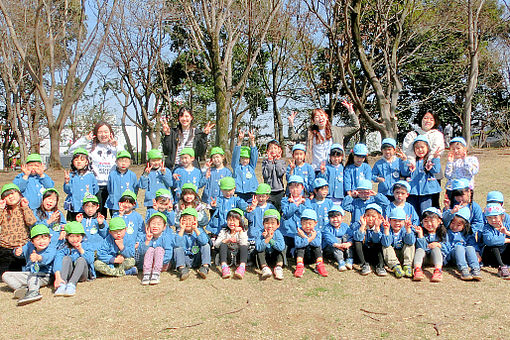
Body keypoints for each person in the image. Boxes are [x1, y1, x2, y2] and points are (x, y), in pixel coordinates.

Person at [288, 100, 360, 172]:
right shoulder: (310, 133)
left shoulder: (337, 130)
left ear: (326, 117)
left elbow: (355, 126)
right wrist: (291, 124)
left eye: (322, 115)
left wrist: (351, 112)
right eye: (317, 117)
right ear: (313, 121)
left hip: (333, 168)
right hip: (315, 169)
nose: (320, 118)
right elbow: (293, 137)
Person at [69, 122, 123, 216]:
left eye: (106, 131)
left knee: (116, 214)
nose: (103, 134)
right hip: (97, 186)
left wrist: (117, 145)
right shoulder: (90, 147)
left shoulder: (115, 147)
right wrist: (85, 140)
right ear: (95, 134)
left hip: (113, 186)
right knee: (98, 215)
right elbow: (72, 150)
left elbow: (125, 159)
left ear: (111, 133)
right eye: (100, 132)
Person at [1, 224, 55, 306]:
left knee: (33, 276)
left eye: (45, 238)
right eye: (38, 239)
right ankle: (22, 289)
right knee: (6, 275)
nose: (42, 241)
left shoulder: (51, 248)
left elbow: (48, 258)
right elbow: (21, 251)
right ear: (32, 241)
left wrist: (39, 257)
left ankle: (34, 292)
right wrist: (17, 251)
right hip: (29, 273)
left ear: (49, 239)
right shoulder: (29, 246)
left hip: (45, 275)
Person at [402, 110, 445, 207]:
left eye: (431, 119)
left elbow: (436, 150)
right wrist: (412, 163)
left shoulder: (437, 134)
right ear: (421, 119)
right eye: (425, 118)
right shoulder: (412, 134)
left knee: (433, 201)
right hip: (414, 169)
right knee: (412, 200)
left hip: (432, 169)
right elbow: (408, 150)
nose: (428, 121)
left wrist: (429, 161)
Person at [0, 183, 37, 275]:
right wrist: (1, 208)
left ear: (20, 195)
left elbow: (31, 221)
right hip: (5, 246)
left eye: (12, 193)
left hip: (21, 246)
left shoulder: (23, 208)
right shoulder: (4, 210)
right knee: (3, 273)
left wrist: (25, 207)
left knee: (18, 272)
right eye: (7, 195)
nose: (10, 197)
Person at [401, 135, 441, 216]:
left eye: (422, 147)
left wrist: (435, 159)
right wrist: (404, 161)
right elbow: (405, 173)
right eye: (417, 148)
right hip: (413, 191)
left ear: (427, 148)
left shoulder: (429, 160)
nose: (420, 150)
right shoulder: (412, 161)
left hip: (426, 191)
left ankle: (424, 226)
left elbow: (436, 170)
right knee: (412, 212)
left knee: (425, 211)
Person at [53, 222, 96, 297]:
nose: (75, 239)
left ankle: (72, 284)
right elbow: (58, 260)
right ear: (66, 237)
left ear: (82, 236)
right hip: (70, 273)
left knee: (81, 260)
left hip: (83, 274)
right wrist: (58, 276)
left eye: (77, 236)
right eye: (71, 236)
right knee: (66, 258)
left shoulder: (87, 245)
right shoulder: (64, 247)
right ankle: (62, 283)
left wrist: (81, 250)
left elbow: (90, 260)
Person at [174, 207, 211, 280]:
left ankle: (205, 267)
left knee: (206, 245)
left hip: (197, 257)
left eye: (190, 220)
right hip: (185, 258)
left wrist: (195, 229)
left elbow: (204, 241)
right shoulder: (179, 233)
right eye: (184, 220)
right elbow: (177, 244)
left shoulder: (199, 230)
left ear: (195, 221)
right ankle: (182, 269)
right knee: (177, 248)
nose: (187, 223)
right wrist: (182, 229)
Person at [445, 207, 481, 281]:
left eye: (458, 225)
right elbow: (446, 245)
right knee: (459, 247)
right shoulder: (447, 232)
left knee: (470, 248)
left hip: (464, 255)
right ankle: (463, 269)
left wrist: (477, 252)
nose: (454, 227)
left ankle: (475, 269)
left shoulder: (467, 234)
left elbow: (473, 244)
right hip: (452, 255)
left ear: (464, 226)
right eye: (453, 223)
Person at [413, 207, 448, 282]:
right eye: (426, 221)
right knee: (419, 250)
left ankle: (438, 270)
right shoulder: (421, 232)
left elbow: (448, 248)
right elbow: (421, 247)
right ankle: (417, 269)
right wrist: (420, 235)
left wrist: (439, 244)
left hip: (435, 258)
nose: (429, 224)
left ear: (439, 221)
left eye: (432, 221)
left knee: (436, 248)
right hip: (424, 258)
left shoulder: (443, 233)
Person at [63, 148, 99, 221]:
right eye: (76, 160)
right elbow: (67, 191)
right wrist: (67, 182)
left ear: (87, 162)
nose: (79, 162)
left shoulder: (91, 175)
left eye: (82, 160)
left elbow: (95, 189)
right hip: (74, 207)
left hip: (87, 208)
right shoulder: (71, 175)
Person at [139, 212, 174, 285]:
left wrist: (159, 263)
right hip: (147, 264)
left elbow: (168, 253)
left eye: (159, 224)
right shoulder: (144, 237)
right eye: (153, 224)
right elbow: (141, 252)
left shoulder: (165, 238)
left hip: (162, 265)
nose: (155, 226)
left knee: (159, 249)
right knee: (150, 249)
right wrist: (147, 241)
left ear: (164, 227)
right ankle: (146, 274)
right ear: (148, 226)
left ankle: (156, 274)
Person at [214, 208, 249, 279]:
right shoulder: (224, 231)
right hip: (228, 256)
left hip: (238, 256)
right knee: (223, 244)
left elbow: (244, 243)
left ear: (240, 222)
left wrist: (241, 232)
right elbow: (216, 245)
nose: (231, 222)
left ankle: (242, 267)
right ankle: (224, 267)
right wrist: (227, 240)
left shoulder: (243, 232)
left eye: (234, 220)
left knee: (244, 246)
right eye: (229, 220)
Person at [280, 176, 312, 256]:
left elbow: (307, 214)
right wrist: (296, 204)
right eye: (292, 187)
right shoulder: (285, 200)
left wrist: (300, 203)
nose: (295, 190)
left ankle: (294, 250)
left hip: (301, 232)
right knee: (284, 251)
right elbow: (287, 213)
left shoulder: (306, 201)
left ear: (302, 188)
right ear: (289, 188)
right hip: (287, 232)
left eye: (297, 187)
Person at [381, 208, 416, 279]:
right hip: (392, 256)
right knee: (386, 247)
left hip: (403, 254)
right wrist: (386, 231)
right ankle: (395, 267)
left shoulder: (404, 230)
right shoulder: (388, 230)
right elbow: (386, 244)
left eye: (400, 221)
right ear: (390, 221)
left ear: (404, 222)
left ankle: (407, 266)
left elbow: (411, 242)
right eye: (394, 221)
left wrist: (408, 230)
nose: (397, 223)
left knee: (410, 245)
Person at [352, 203, 386, 276]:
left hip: (375, 253)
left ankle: (380, 266)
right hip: (363, 252)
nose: (370, 219)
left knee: (380, 244)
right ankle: (364, 264)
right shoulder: (358, 224)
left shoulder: (383, 226)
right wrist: (363, 226)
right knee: (357, 242)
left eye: (373, 216)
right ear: (364, 216)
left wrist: (377, 228)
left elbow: (377, 240)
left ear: (379, 217)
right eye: (368, 216)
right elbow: (357, 238)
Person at [294, 209, 328, 278]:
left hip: (313, 257)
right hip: (301, 257)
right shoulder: (299, 232)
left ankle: (319, 265)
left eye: (310, 223)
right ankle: (300, 266)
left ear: (315, 223)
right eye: (305, 223)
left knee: (317, 247)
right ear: (301, 222)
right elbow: (298, 244)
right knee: (301, 247)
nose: (307, 226)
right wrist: (309, 238)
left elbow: (317, 243)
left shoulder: (317, 232)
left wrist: (306, 238)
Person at [105, 150, 139, 216]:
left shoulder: (132, 175)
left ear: (130, 162)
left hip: (128, 203)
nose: (123, 163)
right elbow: (110, 188)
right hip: (116, 203)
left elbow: (135, 189)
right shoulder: (112, 175)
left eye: (126, 161)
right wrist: (112, 198)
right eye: (120, 161)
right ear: (116, 162)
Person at [481, 203, 510, 279]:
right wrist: (506, 240)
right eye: (489, 218)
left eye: (495, 217)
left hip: (504, 255)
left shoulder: (506, 226)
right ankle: (502, 267)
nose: (493, 220)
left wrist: (506, 233)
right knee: (494, 246)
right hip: (491, 256)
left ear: (502, 216)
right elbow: (490, 241)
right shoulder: (486, 228)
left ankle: (505, 264)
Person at [256, 209, 285, 280]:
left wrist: (271, 240)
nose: (269, 226)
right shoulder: (260, 233)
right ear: (263, 224)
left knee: (282, 249)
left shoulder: (278, 233)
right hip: (264, 257)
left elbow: (281, 247)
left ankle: (278, 268)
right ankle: (265, 268)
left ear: (278, 225)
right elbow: (258, 248)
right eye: (267, 223)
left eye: (273, 223)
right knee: (260, 251)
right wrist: (266, 239)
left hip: (274, 257)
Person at [322, 205, 353, 271]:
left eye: (337, 217)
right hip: (331, 248)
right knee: (337, 240)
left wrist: (349, 243)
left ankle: (349, 259)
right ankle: (340, 261)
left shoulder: (345, 226)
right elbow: (328, 238)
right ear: (329, 218)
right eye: (332, 217)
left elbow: (350, 235)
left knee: (346, 238)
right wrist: (337, 244)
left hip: (344, 247)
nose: (335, 219)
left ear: (342, 218)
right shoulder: (327, 227)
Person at [232, 130, 259, 203]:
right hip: (240, 193)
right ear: (239, 159)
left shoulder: (251, 167)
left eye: (247, 158)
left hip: (251, 192)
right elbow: (235, 156)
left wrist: (252, 141)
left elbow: (254, 155)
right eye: (242, 158)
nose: (245, 160)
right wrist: (239, 141)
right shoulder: (236, 167)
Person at [262, 139, 286, 212]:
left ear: (279, 150)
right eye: (271, 148)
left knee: (279, 210)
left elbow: (280, 173)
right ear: (267, 150)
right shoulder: (265, 162)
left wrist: (277, 161)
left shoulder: (282, 162)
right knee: (269, 210)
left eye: (275, 148)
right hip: (268, 191)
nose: (273, 150)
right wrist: (269, 161)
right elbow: (266, 175)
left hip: (279, 190)